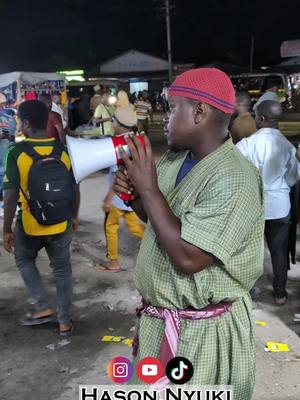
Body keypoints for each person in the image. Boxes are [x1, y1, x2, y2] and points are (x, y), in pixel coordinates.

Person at [113, 68, 264, 398]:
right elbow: (158, 221)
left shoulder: (235, 178)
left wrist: (149, 189)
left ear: (198, 112)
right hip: (162, 322)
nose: (165, 117)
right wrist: (136, 195)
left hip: (202, 333)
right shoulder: (174, 160)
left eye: (172, 108)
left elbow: (189, 257)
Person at [3, 100, 80, 335]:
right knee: (62, 270)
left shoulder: (15, 153)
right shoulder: (64, 152)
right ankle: (65, 322)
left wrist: (6, 229)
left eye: (19, 121)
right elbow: (75, 188)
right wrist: (73, 217)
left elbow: (10, 195)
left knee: (24, 260)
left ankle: (40, 305)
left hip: (30, 224)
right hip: (61, 223)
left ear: (26, 123)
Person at [237, 100, 300, 305]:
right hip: (280, 206)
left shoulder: (247, 144)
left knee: (252, 251)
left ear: (261, 119)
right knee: (279, 250)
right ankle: (280, 293)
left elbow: (238, 174)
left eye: (256, 116)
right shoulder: (287, 145)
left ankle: (252, 291)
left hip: (253, 206)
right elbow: (293, 177)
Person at [96, 107, 145, 272]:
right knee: (134, 227)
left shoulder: (119, 144)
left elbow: (119, 173)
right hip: (131, 194)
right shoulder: (135, 140)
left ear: (121, 124)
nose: (113, 124)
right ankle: (159, 245)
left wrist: (109, 197)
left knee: (110, 227)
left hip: (119, 195)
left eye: (114, 121)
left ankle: (113, 262)